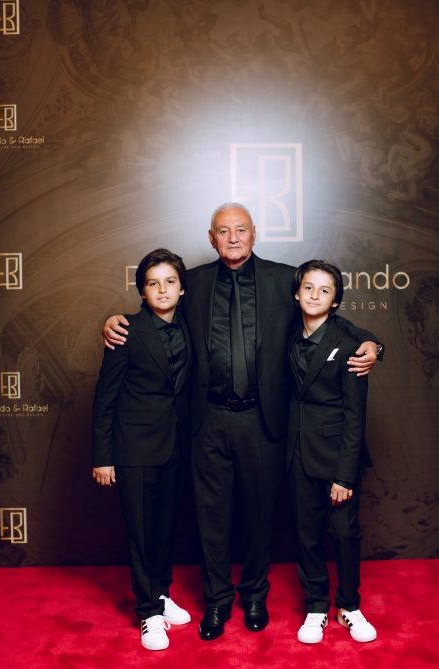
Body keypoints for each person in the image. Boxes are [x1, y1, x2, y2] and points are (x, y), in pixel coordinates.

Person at [102, 203, 382, 641]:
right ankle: (217, 600)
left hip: (262, 418)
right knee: (210, 518)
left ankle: (254, 595)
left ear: (254, 233)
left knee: (259, 515)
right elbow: (153, 315)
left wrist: (372, 343)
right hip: (207, 419)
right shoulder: (192, 282)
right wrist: (111, 321)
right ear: (211, 238)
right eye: (223, 231)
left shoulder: (283, 279)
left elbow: (326, 313)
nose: (232, 238)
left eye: (240, 230)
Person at [92, 249, 192, 651]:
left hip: (177, 446)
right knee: (141, 532)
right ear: (142, 291)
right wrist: (103, 456)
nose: (162, 289)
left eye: (170, 281)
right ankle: (148, 612)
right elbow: (105, 396)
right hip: (133, 448)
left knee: (165, 529)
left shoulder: (193, 326)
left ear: (182, 289)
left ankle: (162, 593)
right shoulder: (125, 331)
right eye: (153, 283)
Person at [287, 260, 377, 644]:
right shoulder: (286, 334)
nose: (315, 295)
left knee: (344, 534)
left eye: (324, 291)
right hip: (296, 453)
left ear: (335, 300)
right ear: (297, 293)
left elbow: (356, 417)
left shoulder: (351, 345)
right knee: (306, 535)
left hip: (337, 456)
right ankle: (316, 606)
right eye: (308, 287)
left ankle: (349, 606)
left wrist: (345, 474)